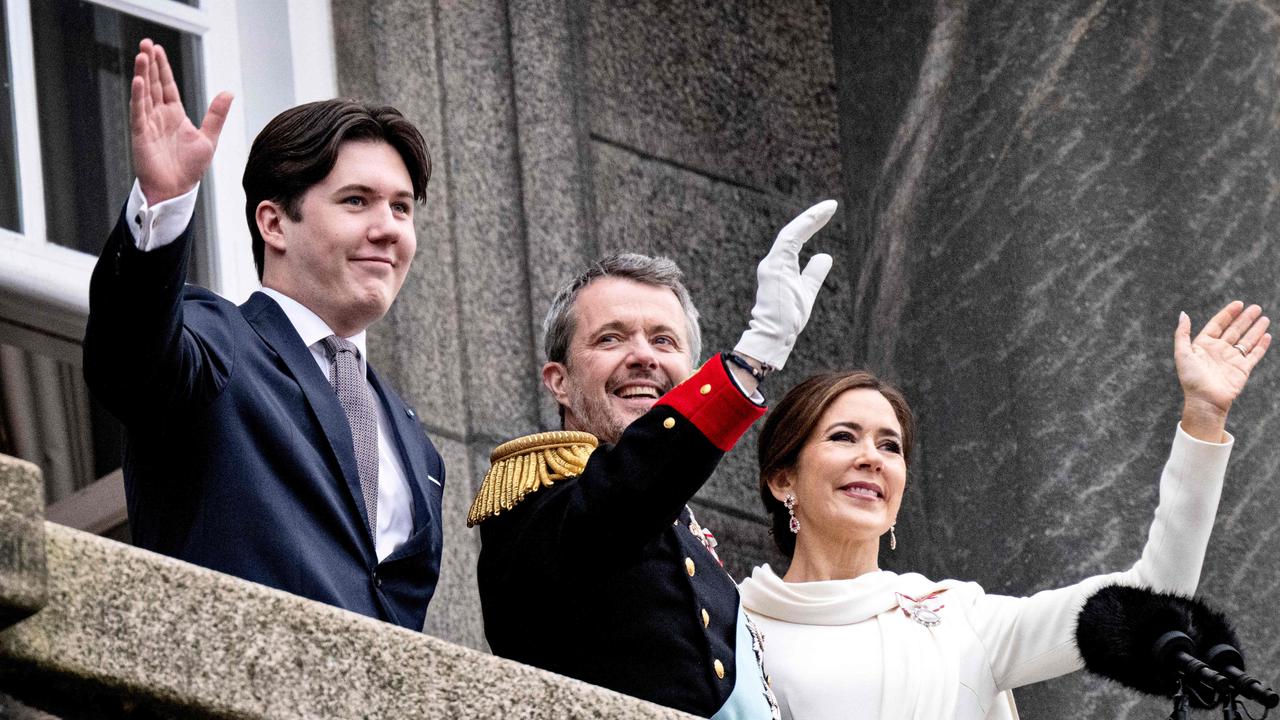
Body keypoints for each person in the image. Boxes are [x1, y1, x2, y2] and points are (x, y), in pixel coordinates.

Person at [737, 302, 1271, 719]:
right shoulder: (728, 620)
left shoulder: (960, 619)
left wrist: (1203, 417)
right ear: (784, 477)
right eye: (843, 436)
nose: (871, 459)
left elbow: (1152, 597)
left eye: (890, 446)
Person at [83, 39, 446, 630]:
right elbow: (129, 359)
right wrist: (164, 203)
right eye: (357, 201)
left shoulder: (417, 444)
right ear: (274, 223)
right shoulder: (217, 342)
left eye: (402, 208)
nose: (388, 229)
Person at [471, 201, 839, 718]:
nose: (644, 356)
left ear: (689, 374)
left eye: (664, 340)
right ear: (560, 382)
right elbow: (622, 501)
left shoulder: (687, 534)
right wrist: (746, 363)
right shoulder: (535, 500)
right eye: (611, 337)